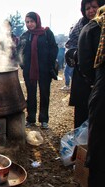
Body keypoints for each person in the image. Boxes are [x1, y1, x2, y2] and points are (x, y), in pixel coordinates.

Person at [78, 5, 105, 186]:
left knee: (99, 139)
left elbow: (84, 61)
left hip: (102, 88)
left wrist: (94, 81)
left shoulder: (94, 26)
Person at [17, 12, 58, 129]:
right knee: (31, 94)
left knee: (44, 94)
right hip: (29, 71)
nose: (29, 24)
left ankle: (44, 119)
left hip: (44, 70)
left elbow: (54, 48)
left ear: (37, 21)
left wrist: (49, 64)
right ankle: (31, 119)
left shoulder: (46, 33)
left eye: (32, 21)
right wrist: (22, 64)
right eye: (27, 22)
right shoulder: (25, 35)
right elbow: (19, 51)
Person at [68, 0, 103, 128]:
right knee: (81, 113)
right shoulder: (81, 25)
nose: (91, 11)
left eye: (94, 7)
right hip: (82, 77)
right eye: (87, 8)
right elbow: (70, 45)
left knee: (98, 114)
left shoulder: (102, 26)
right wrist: (74, 54)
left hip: (99, 76)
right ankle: (79, 143)